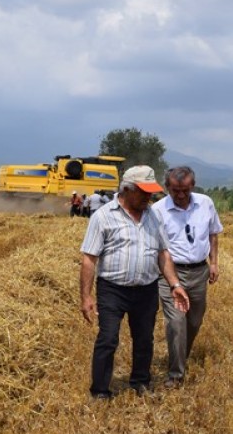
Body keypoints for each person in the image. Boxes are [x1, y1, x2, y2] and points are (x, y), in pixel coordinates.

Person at [80, 165, 190, 399]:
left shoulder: (154, 216)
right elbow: (89, 258)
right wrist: (86, 297)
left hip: (146, 289)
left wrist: (175, 285)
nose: (148, 197)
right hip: (112, 289)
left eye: (151, 192)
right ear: (127, 189)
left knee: (144, 339)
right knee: (108, 339)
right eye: (143, 192)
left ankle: (140, 382)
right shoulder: (103, 216)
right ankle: (100, 390)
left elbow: (163, 254)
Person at [151, 166, 223, 387]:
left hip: (199, 271)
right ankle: (176, 374)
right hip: (170, 272)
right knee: (176, 321)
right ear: (167, 188)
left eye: (185, 190)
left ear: (193, 186)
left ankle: (180, 354)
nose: (180, 195)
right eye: (175, 190)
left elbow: (213, 233)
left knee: (194, 320)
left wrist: (214, 263)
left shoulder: (205, 203)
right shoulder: (157, 210)